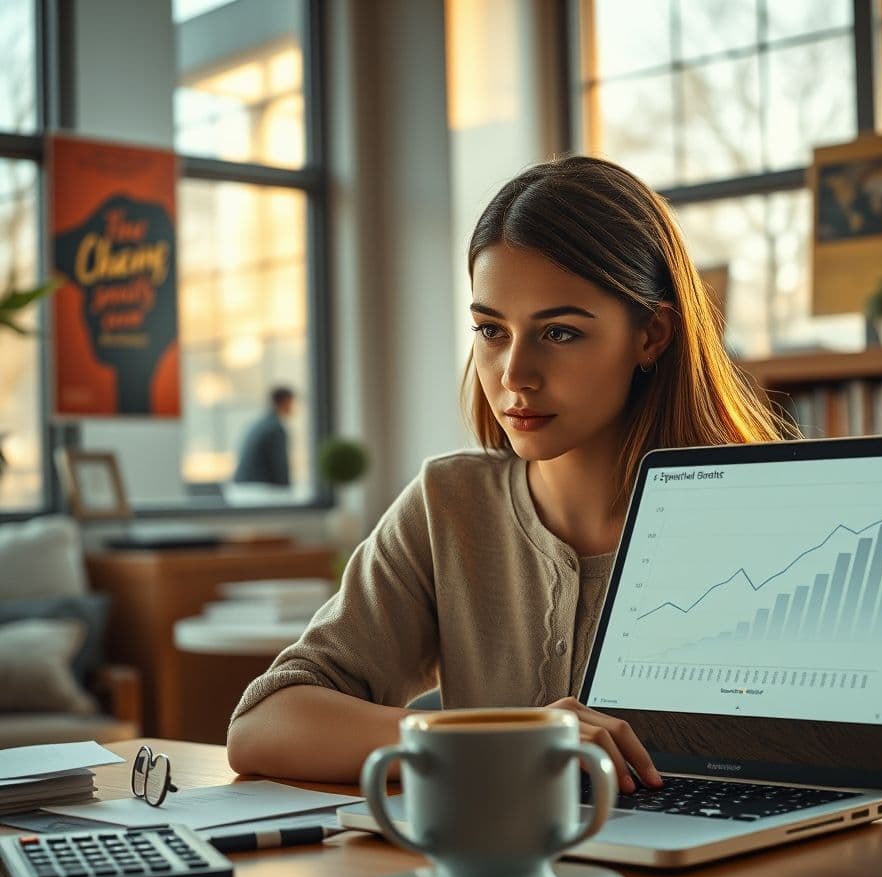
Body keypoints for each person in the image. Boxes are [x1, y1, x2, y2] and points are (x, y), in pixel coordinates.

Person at [226, 156, 788, 788]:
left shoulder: (757, 523)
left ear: (652, 334)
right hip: (498, 852)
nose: (515, 374)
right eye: (491, 330)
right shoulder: (450, 504)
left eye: (560, 333)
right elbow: (263, 725)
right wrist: (497, 739)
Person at [233, 386, 295, 487]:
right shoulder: (276, 429)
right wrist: (286, 489)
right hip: (258, 487)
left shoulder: (260, 423)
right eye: (291, 403)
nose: (293, 408)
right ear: (284, 402)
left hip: (243, 484)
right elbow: (279, 465)